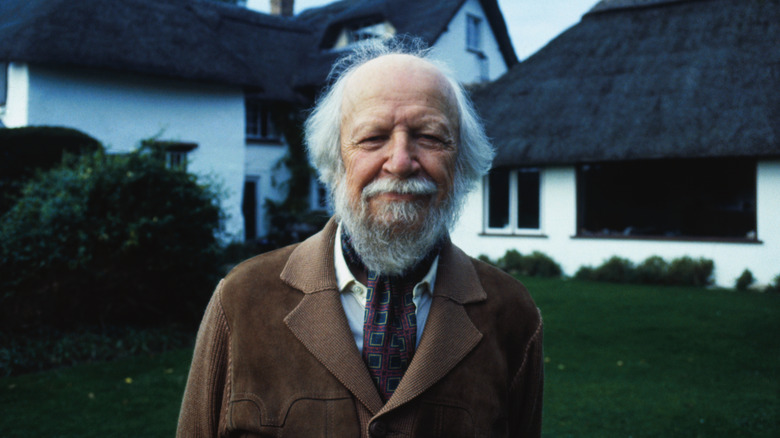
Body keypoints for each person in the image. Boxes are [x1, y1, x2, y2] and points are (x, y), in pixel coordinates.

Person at [177, 39, 543, 438]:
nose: (401, 161)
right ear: (334, 161)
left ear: (462, 163)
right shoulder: (241, 299)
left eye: (431, 137)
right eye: (372, 138)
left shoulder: (513, 315)